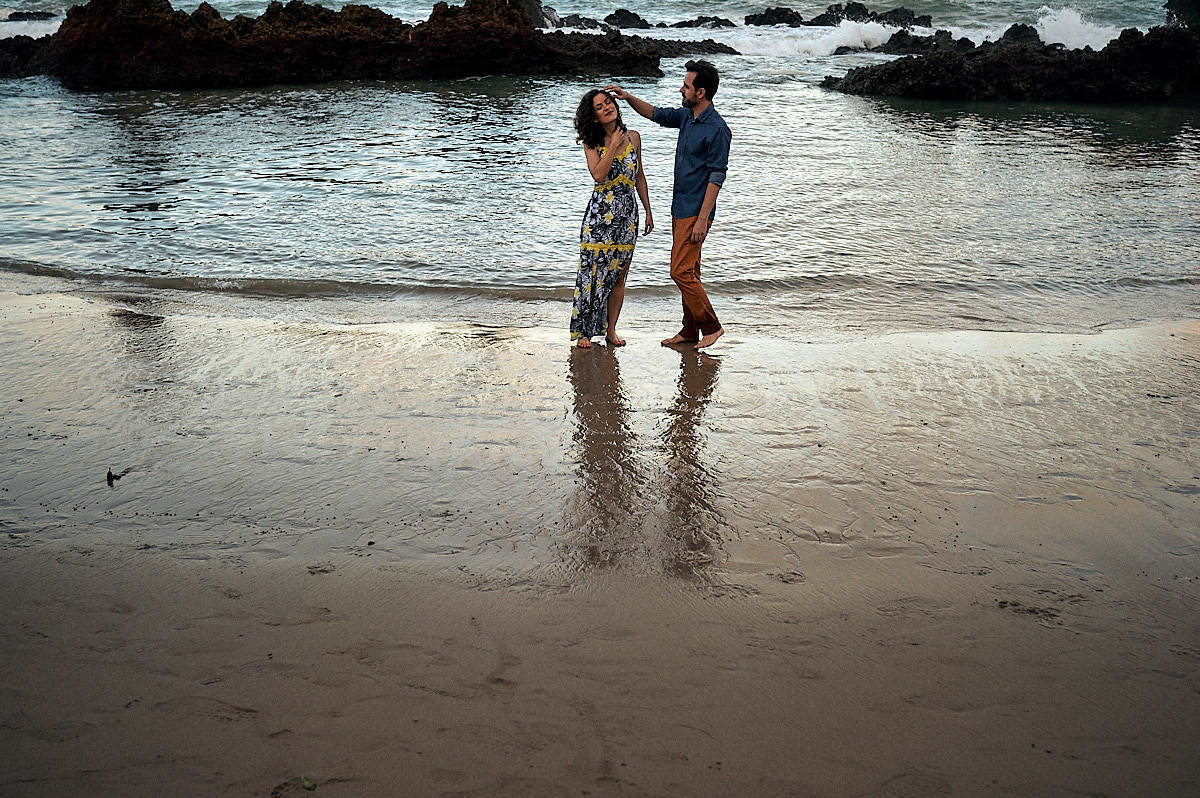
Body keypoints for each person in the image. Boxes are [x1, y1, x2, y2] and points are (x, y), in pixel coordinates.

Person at [606, 59, 730, 350]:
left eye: (686, 86)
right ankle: (689, 331)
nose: (681, 89)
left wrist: (702, 220)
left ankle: (712, 326)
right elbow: (656, 114)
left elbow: (716, 177)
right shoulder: (687, 117)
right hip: (679, 208)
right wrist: (628, 96)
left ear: (700, 93)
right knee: (691, 271)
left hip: (695, 212)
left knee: (680, 272)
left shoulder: (718, 129)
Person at [570, 89, 654, 348]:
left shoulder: (635, 138)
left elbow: (639, 176)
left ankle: (611, 330)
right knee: (592, 273)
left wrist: (648, 210)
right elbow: (598, 174)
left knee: (619, 275)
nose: (607, 107)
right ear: (594, 117)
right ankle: (583, 332)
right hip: (599, 217)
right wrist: (614, 146)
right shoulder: (592, 142)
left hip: (627, 216)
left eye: (608, 102)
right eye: (599, 107)